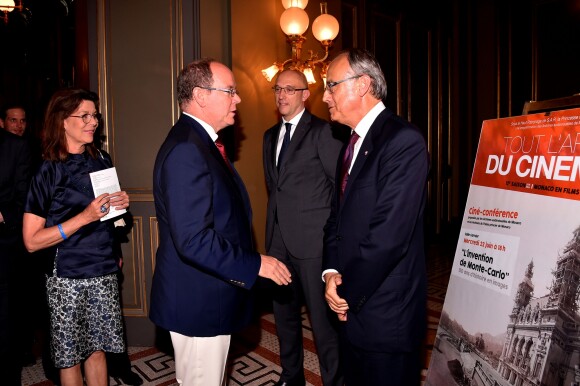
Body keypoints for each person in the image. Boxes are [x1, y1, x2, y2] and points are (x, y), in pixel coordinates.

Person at [149, 58, 292, 386]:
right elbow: (194, 239)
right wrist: (256, 263)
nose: (238, 99)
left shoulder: (199, 142)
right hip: (198, 301)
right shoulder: (188, 149)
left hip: (206, 293)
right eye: (230, 91)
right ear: (200, 96)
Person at [322, 48, 429, 385]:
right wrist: (330, 273)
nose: (324, 96)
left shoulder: (403, 141)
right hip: (350, 307)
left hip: (386, 316)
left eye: (332, 85)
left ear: (363, 85)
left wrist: (345, 294)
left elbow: (388, 238)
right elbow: (335, 221)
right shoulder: (350, 145)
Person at [22, 88, 131, 386]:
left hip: (104, 270)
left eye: (94, 114)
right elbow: (31, 240)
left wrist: (120, 207)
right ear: (61, 121)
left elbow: (110, 219)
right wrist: (84, 217)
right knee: (69, 356)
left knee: (97, 351)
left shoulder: (102, 158)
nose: (92, 121)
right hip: (66, 276)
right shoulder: (48, 170)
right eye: (84, 115)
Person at [263, 69, 343, 386]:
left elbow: (340, 187)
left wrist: (332, 238)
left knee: (323, 326)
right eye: (277, 89)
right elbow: (275, 189)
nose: (281, 95)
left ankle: (334, 381)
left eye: (290, 89)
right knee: (284, 318)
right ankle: (291, 376)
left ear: (305, 94)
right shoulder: (269, 136)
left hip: (313, 243)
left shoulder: (324, 132)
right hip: (279, 241)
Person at [0, 128, 32, 385]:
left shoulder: (15, 146)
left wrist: (3, 216)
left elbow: (24, 200)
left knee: (5, 321)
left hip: (4, 246)